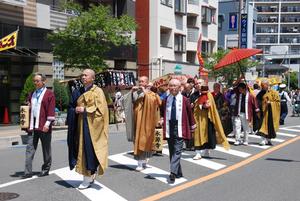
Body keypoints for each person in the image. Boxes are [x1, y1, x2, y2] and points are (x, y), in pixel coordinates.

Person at [67, 69, 109, 189]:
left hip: (93, 128)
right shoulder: (77, 91)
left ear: (92, 78)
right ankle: (88, 176)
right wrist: (75, 110)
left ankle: (88, 177)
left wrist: (85, 110)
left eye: (86, 75)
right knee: (82, 151)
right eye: (82, 75)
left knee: (90, 151)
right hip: (80, 126)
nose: (83, 77)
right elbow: (70, 106)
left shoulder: (98, 92)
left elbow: (102, 111)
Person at [22, 73, 56, 179]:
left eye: (37, 81)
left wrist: (47, 124)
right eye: (34, 81)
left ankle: (46, 169)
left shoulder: (49, 94)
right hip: (33, 125)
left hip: (44, 125)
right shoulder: (31, 93)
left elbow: (51, 110)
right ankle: (27, 172)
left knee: (46, 149)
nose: (35, 83)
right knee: (29, 148)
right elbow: (29, 107)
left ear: (44, 82)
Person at [124, 76, 161, 171]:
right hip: (137, 120)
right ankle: (139, 162)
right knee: (138, 140)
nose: (140, 83)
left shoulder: (151, 93)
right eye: (139, 81)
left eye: (143, 81)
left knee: (147, 139)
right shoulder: (135, 92)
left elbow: (157, 102)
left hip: (148, 120)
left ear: (147, 83)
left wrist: (145, 91)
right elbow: (125, 101)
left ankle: (144, 160)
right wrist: (131, 91)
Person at [162, 79, 196, 183]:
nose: (172, 88)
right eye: (171, 85)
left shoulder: (185, 100)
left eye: (175, 86)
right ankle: (178, 172)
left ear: (179, 87)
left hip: (180, 126)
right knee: (172, 151)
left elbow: (190, 114)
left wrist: (192, 125)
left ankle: (172, 172)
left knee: (177, 150)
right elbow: (162, 112)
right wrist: (161, 119)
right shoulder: (166, 99)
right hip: (169, 127)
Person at [193, 85, 230, 160]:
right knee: (198, 135)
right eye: (197, 83)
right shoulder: (194, 94)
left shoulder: (209, 95)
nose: (198, 85)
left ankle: (206, 151)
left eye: (200, 83)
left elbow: (210, 106)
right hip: (197, 119)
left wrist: (205, 106)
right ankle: (198, 153)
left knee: (208, 136)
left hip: (208, 119)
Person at [256, 79, 280, 146]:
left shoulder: (274, 92)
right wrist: (257, 108)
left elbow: (278, 102)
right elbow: (257, 101)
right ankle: (263, 140)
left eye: (263, 85)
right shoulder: (261, 93)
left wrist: (271, 103)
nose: (262, 87)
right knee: (261, 126)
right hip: (262, 112)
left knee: (270, 126)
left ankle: (269, 140)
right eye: (261, 86)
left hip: (271, 113)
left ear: (267, 85)